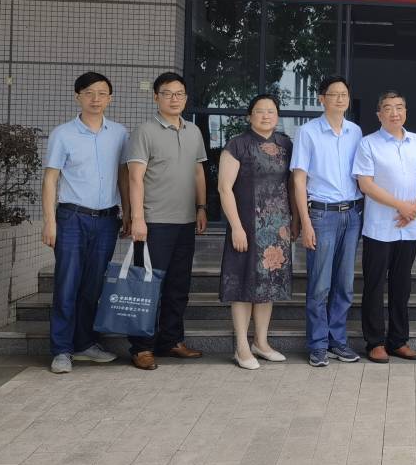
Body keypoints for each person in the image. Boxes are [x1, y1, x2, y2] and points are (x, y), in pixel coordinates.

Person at [41, 71, 129, 375]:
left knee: (93, 285)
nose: (95, 99)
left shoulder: (119, 133)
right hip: (72, 217)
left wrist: (129, 213)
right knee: (67, 283)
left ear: (110, 99)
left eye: (102, 93)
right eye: (89, 93)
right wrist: (49, 221)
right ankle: (61, 349)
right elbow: (50, 179)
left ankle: (84, 343)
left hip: (106, 220)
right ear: (77, 96)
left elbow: (123, 176)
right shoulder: (63, 134)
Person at [122, 72, 208, 370]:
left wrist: (201, 207)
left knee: (178, 286)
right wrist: (137, 218)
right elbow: (135, 177)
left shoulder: (193, 131)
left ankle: (171, 341)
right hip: (153, 222)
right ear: (155, 97)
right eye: (168, 93)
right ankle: (141, 347)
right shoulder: (144, 131)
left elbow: (198, 172)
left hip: (185, 221)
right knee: (146, 286)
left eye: (179, 93)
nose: (174, 99)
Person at [217, 94, 297, 369]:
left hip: (276, 229)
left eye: (271, 111)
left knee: (268, 285)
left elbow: (293, 184)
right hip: (246, 227)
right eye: (260, 111)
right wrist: (236, 227)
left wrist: (295, 220)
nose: (266, 115)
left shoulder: (285, 144)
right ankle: (241, 346)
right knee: (243, 285)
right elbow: (224, 188)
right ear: (249, 115)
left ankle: (261, 343)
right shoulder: (237, 145)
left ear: (278, 116)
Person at [352, 90, 416, 363]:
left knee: (402, 284)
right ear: (379, 114)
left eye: (399, 107)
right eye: (388, 108)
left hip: (410, 226)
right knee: (374, 284)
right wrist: (401, 206)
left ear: (406, 112)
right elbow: (366, 184)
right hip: (379, 227)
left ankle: (398, 340)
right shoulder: (368, 144)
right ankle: (375, 342)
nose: (394, 113)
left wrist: (414, 207)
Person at [293, 75, 365, 367]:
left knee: (345, 284)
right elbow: (299, 180)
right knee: (320, 285)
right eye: (333, 94)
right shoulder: (307, 132)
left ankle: (338, 341)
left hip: (352, 214)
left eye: (344, 94)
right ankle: (318, 344)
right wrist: (305, 222)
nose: (339, 98)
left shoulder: (356, 132)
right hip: (321, 215)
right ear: (321, 99)